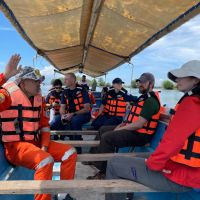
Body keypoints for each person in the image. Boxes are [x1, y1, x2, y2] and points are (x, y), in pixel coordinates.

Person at [105, 60, 200, 200]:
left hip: (181, 176)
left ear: (196, 79)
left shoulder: (191, 103)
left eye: (182, 76)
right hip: (189, 173)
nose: (177, 79)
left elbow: (173, 141)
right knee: (132, 161)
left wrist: (152, 163)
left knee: (114, 163)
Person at [0, 55, 77, 200]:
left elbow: (45, 126)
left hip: (35, 143)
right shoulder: (7, 95)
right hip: (16, 147)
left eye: (40, 81)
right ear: (22, 83)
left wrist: (44, 145)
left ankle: (63, 195)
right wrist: (5, 76)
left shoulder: (39, 99)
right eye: (35, 81)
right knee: (45, 160)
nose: (39, 84)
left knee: (70, 153)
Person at [87, 73, 161, 179]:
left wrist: (121, 128)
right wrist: (122, 124)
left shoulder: (151, 101)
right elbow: (132, 118)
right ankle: (93, 158)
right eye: (140, 81)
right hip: (134, 130)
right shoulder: (142, 98)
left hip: (141, 135)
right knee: (103, 129)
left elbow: (139, 124)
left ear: (151, 84)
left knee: (108, 137)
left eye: (143, 82)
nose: (140, 84)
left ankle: (104, 172)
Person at [60, 73, 91, 154]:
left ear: (73, 80)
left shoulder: (82, 90)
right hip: (70, 115)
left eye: (66, 79)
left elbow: (87, 109)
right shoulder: (65, 92)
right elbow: (62, 107)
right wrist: (63, 115)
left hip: (84, 115)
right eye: (65, 79)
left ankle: (77, 148)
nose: (64, 81)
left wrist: (72, 114)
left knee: (75, 120)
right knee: (56, 121)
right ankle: (60, 144)